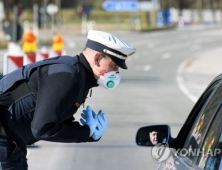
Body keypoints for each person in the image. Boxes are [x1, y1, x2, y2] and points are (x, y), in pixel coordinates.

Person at [0, 30, 136, 169]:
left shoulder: (78, 76)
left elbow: (55, 118)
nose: (116, 72)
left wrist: (89, 134)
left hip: (12, 142)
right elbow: (42, 128)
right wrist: (86, 133)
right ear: (97, 58)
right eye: (114, 65)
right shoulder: (68, 77)